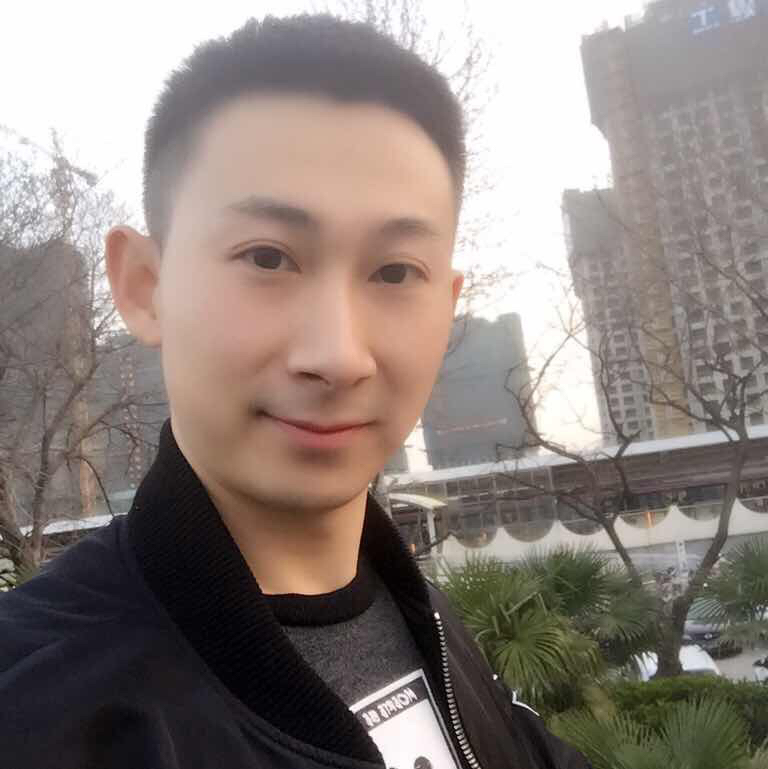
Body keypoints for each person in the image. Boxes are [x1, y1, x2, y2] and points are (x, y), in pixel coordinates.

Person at [0, 15, 591, 769]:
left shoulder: (436, 631)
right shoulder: (35, 705)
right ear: (145, 285)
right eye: (268, 258)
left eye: (394, 271)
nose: (337, 356)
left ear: (446, 307)